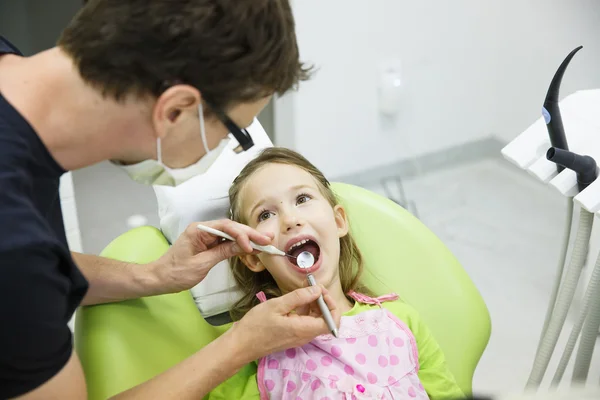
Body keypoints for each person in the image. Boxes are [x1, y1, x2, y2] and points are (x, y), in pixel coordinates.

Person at [0, 1, 341, 399]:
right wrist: (239, 346)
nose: (227, 149)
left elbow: (38, 269)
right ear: (176, 110)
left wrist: (154, 276)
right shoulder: (13, 245)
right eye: (238, 133)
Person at [207, 147, 465, 399]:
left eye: (302, 199)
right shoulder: (251, 351)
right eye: (265, 214)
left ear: (339, 221)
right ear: (253, 257)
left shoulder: (402, 322)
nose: (290, 220)